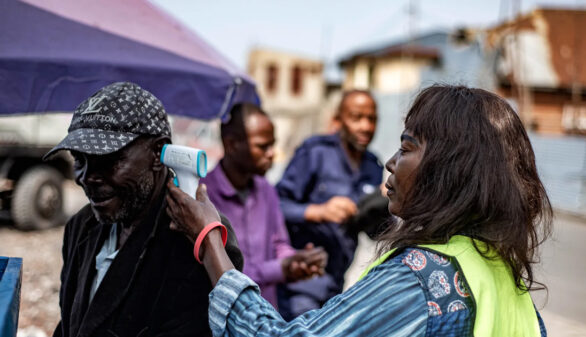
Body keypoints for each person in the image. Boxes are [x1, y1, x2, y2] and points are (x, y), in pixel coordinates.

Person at [167, 85, 551, 336]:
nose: (391, 162)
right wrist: (315, 216)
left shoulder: (421, 279)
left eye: (407, 147)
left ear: (448, 168)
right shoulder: (503, 276)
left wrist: (209, 239)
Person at [44, 82, 244, 337]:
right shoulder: (82, 226)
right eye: (79, 160)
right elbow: (70, 324)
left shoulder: (197, 244)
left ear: (158, 153)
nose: (87, 177)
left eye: (108, 160)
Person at [201, 103, 327, 308]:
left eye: (272, 145)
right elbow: (220, 269)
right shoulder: (204, 196)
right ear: (232, 144)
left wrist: (297, 261)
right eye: (262, 146)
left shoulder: (266, 190)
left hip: (264, 314)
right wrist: (280, 269)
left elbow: (279, 244)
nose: (271, 154)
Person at [275, 89, 383, 319]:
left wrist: (381, 206)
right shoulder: (315, 152)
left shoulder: (374, 167)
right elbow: (276, 205)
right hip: (300, 281)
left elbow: (374, 233)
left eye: (371, 119)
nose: (365, 126)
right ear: (339, 120)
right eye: (356, 118)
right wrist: (318, 211)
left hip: (337, 285)